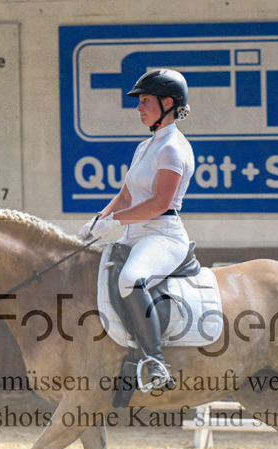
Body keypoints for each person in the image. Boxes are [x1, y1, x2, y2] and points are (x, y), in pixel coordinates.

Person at [79, 69, 195, 393]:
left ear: (167, 104)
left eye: (145, 101)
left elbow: (159, 203)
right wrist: (99, 219)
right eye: (140, 101)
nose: (139, 107)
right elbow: (127, 195)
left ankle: (155, 362)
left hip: (163, 236)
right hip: (136, 235)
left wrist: (115, 222)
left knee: (130, 278)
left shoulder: (173, 148)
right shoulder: (146, 146)